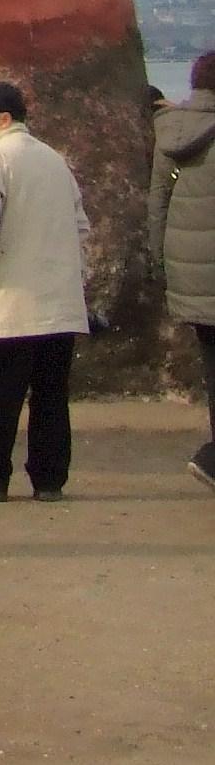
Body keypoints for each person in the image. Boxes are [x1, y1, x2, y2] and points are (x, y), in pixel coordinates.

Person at [0, 78, 90, 501]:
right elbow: (80, 224)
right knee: (51, 395)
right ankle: (49, 479)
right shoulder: (53, 160)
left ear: (3, 119)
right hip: (58, 302)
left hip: (9, 301)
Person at [151, 48, 215, 494]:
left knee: (212, 365)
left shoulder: (173, 130)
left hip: (191, 274)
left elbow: (158, 202)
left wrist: (162, 264)